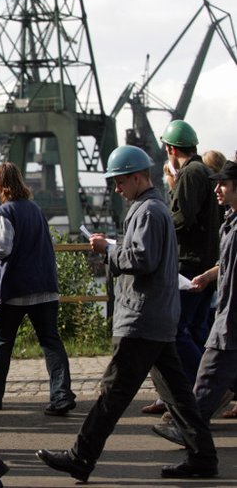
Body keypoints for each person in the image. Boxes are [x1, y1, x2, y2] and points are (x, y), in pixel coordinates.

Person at [36, 145, 218, 482]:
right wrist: (116, 246)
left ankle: (81, 457)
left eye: (120, 181)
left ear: (137, 177)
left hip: (141, 318)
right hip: (157, 317)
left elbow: (142, 259)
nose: (117, 189)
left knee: (113, 392)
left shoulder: (147, 212)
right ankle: (203, 457)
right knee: (178, 395)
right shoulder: (154, 209)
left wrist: (109, 251)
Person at [0, 162, 75, 416]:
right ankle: (61, 395)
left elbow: (2, 249)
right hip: (44, 286)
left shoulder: (5, 212)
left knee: (3, 343)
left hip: (15, 290)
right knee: (51, 342)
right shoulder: (35, 209)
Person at [151, 160, 237, 445]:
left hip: (231, 317)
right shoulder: (229, 222)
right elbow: (226, 263)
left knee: (209, 373)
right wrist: (208, 276)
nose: (216, 190)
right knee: (212, 373)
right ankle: (192, 434)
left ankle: (187, 431)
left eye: (223, 184)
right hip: (227, 310)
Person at [143, 119, 221, 414]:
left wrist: (157, 228)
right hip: (207, 263)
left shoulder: (190, 173)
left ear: (171, 149)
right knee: (197, 331)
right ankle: (201, 392)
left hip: (189, 265)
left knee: (176, 330)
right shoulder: (205, 172)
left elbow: (182, 217)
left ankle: (211, 388)